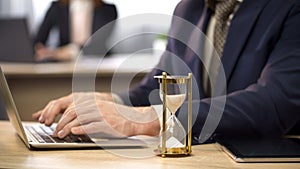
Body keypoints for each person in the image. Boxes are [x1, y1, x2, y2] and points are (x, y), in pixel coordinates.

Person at [33, 0, 300, 144]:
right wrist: (109, 101)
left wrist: (147, 118)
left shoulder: (289, 7)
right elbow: (157, 85)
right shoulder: (188, 9)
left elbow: (275, 101)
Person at [34, 0, 117, 62]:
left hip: (99, 62)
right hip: (63, 65)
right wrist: (42, 50)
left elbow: (98, 41)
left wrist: (70, 52)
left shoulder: (108, 10)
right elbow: (39, 41)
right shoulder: (57, 8)